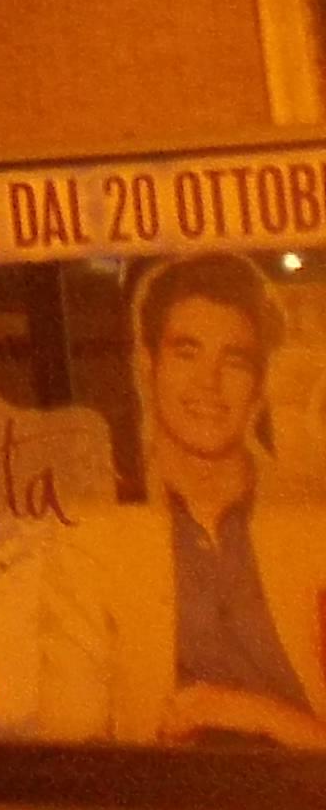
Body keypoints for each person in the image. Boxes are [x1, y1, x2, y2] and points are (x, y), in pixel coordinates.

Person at [39, 252, 326, 749]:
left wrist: (257, 714)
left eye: (234, 360)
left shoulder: (312, 524)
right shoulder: (93, 542)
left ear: (258, 387)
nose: (208, 384)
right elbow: (72, 746)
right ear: (146, 366)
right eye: (187, 353)